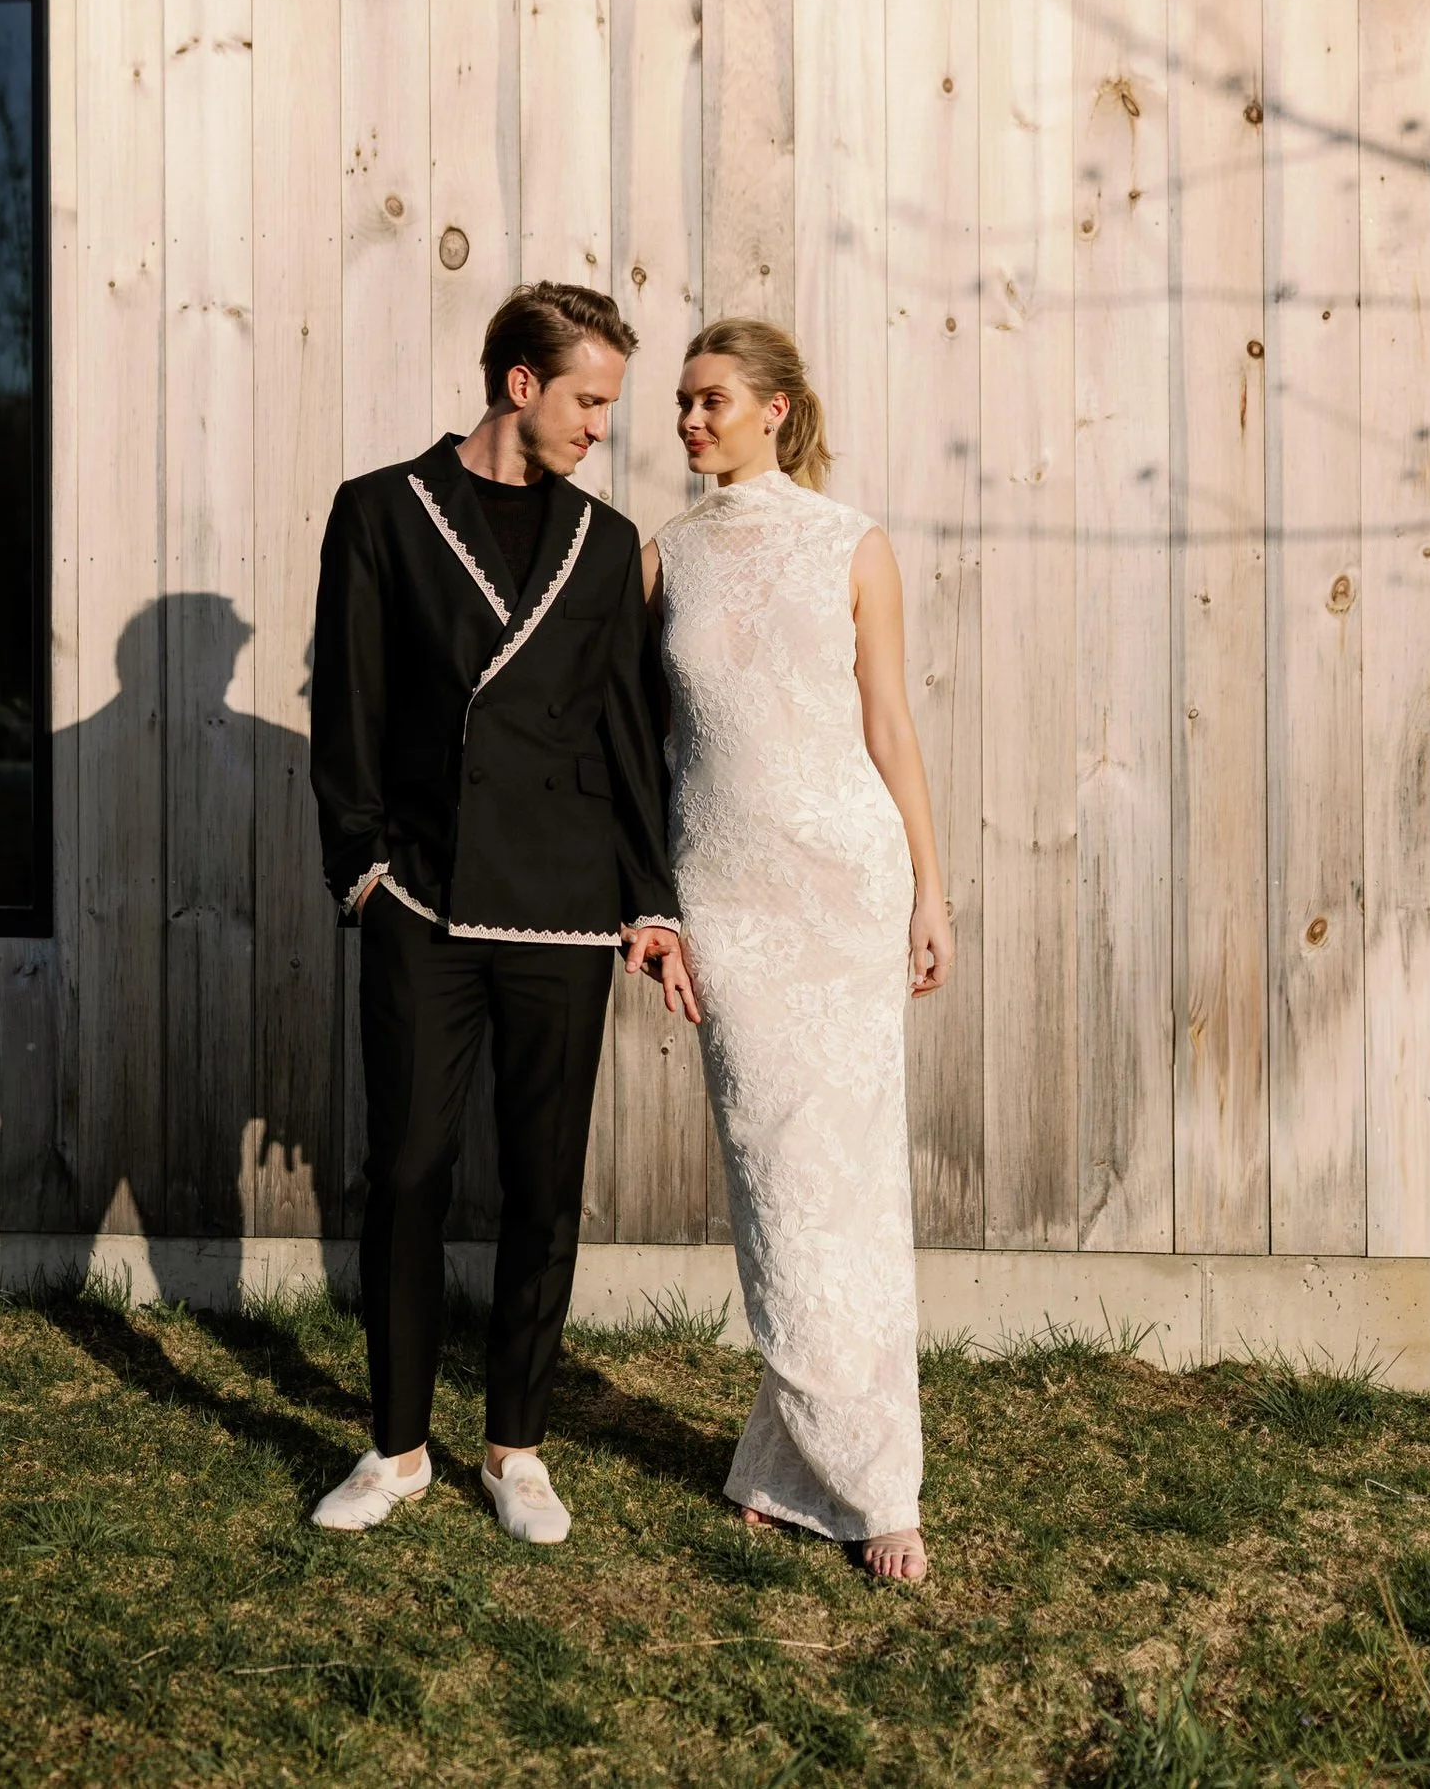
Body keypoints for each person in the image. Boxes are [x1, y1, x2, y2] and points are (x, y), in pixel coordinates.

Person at [309, 282, 693, 1545]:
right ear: (518, 384)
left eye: (610, 406)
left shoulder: (602, 540)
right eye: (588, 399)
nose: (602, 426)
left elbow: (626, 733)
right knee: (409, 1173)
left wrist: (649, 902)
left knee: (542, 1183)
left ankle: (516, 1447)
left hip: (566, 910)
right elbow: (349, 706)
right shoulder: (380, 512)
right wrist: (361, 866)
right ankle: (398, 1448)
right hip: (423, 894)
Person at [637, 319, 952, 1584]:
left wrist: (931, 888)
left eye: (711, 400)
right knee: (775, 1176)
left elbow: (888, 718)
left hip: (848, 885)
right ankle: (797, 1454)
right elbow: (629, 740)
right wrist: (645, 902)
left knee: (852, 1177)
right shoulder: (659, 557)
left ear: (776, 409)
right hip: (729, 895)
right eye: (678, 403)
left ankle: (876, 1484)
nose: (689, 421)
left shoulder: (851, 543)